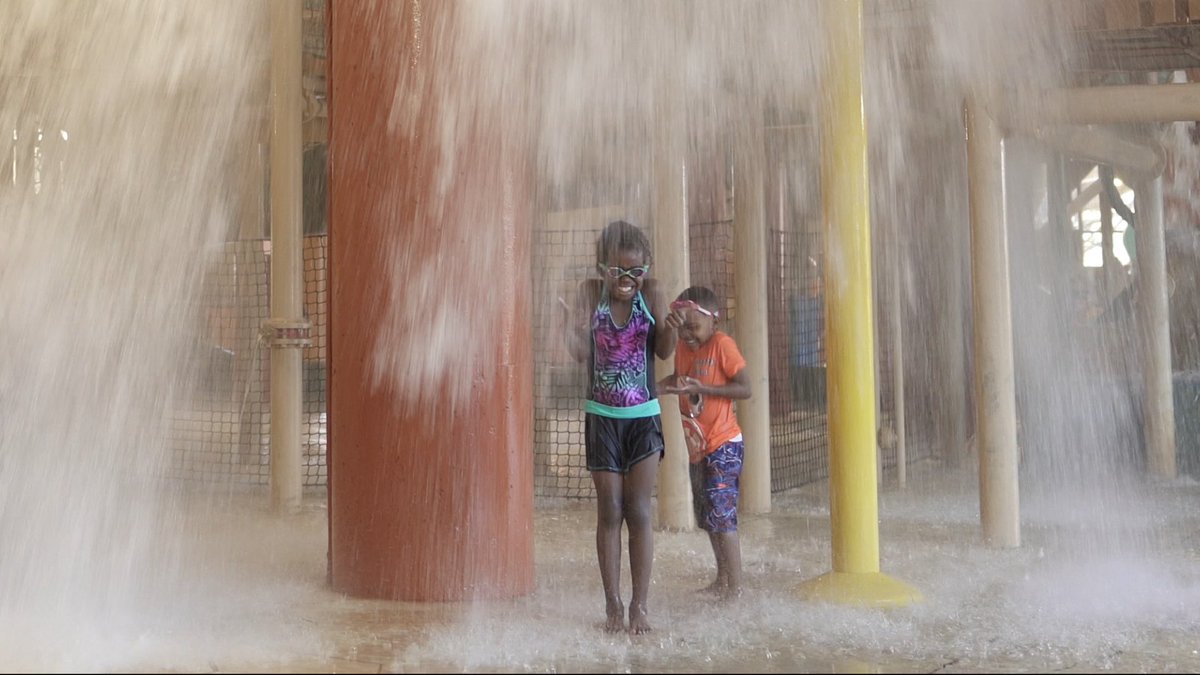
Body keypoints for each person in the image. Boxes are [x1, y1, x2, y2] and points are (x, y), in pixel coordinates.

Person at [560, 219, 677, 635]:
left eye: (635, 272)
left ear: (644, 269)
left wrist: (670, 330)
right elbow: (578, 354)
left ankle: (639, 606)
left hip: (642, 417)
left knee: (639, 509)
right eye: (617, 271)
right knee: (609, 509)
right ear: (601, 267)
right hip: (601, 418)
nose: (626, 280)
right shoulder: (590, 295)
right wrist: (568, 330)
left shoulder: (653, 292)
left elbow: (662, 350)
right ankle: (612, 604)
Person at [657, 286, 751, 601]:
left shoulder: (723, 345)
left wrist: (706, 388)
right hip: (698, 448)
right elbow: (678, 379)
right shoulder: (684, 348)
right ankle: (722, 577)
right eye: (682, 326)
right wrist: (653, 390)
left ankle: (736, 587)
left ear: (714, 322)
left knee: (722, 513)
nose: (687, 334)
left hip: (724, 444)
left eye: (693, 327)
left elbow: (745, 389)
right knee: (708, 514)